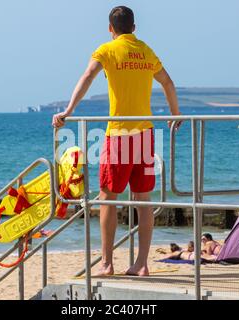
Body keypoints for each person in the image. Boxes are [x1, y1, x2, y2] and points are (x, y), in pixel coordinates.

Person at [52, 6, 181, 276]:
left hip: (119, 134)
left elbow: (87, 76)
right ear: (134, 28)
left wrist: (68, 111)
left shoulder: (107, 50)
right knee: (143, 199)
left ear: (111, 29)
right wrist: (175, 114)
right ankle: (142, 264)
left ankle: (107, 263)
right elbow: (168, 82)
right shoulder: (146, 50)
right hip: (146, 134)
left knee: (108, 198)